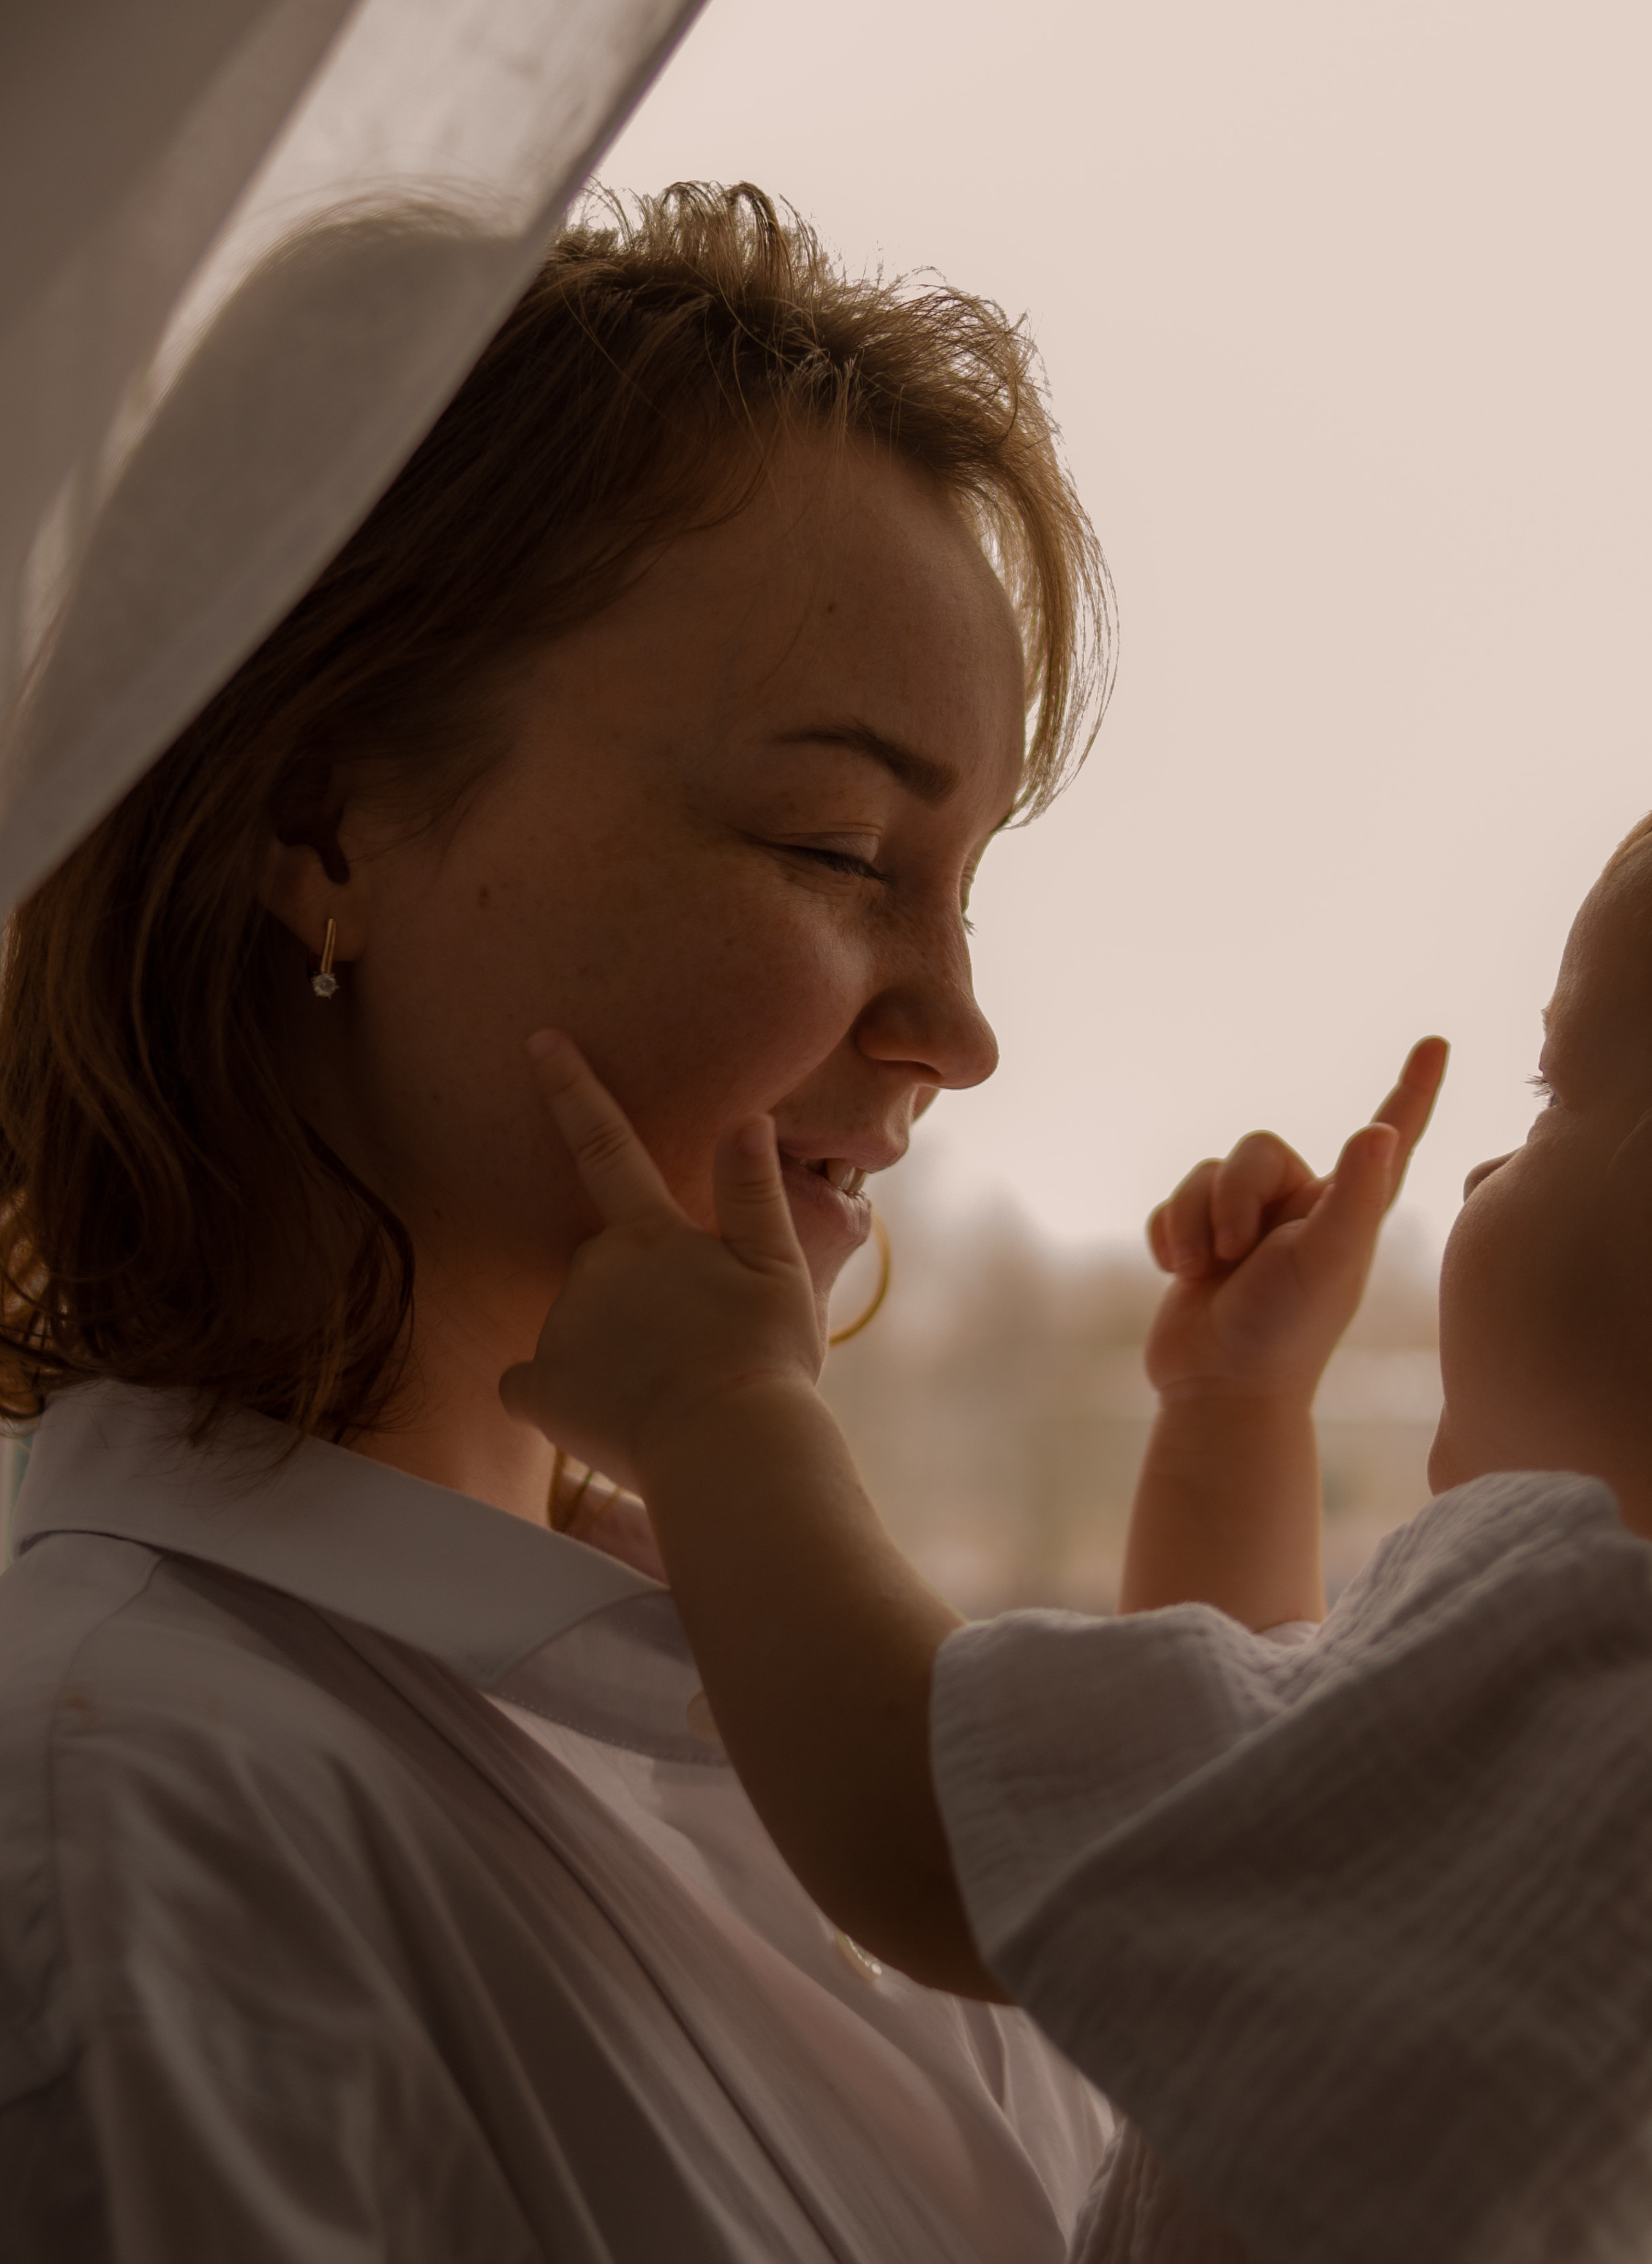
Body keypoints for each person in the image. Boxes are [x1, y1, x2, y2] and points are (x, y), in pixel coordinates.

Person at [0, 186, 1122, 2262]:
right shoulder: (128, 1864)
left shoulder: (763, 1715)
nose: (960, 1031)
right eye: (841, 849)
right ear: (322, 828)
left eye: (960, 890)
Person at [500, 813, 1652, 2260]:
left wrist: (718, 1408)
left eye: (1551, 1102)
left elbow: (927, 1829)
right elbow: (1222, 1867)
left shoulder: (1580, 1659)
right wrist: (1234, 1416)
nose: (1477, 1182)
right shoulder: (1575, 1727)